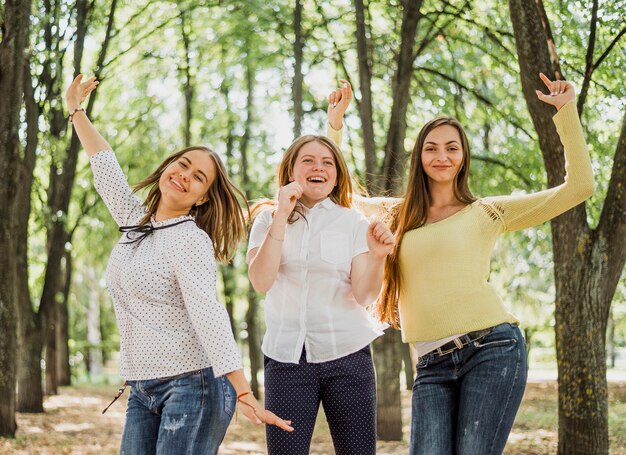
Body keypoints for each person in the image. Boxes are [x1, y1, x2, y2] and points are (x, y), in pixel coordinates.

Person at [65, 74, 292, 455]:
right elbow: (105, 167)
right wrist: (76, 111)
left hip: (192, 384)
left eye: (198, 177)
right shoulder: (136, 222)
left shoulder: (190, 239)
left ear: (203, 198)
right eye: (183, 165)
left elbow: (208, 313)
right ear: (169, 164)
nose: (184, 176)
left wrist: (243, 389)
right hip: (142, 386)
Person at [369, 73, 594, 454]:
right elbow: (336, 195)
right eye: (432, 148)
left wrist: (566, 112)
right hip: (430, 367)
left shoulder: (486, 212)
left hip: (491, 349)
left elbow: (580, 188)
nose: (441, 157)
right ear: (419, 157)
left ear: (463, 157)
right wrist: (335, 125)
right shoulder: (397, 215)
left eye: (451, 148)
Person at [246, 87, 394, 454]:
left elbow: (363, 295)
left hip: (348, 356)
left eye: (327, 162)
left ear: (337, 173)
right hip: (285, 360)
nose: (319, 168)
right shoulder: (267, 219)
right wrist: (282, 214)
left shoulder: (353, 222)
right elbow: (261, 281)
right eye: (308, 161)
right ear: (291, 170)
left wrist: (377, 257)